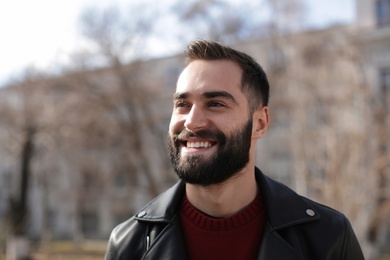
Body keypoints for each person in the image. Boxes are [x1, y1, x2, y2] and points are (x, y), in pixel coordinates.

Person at [105, 39, 364, 260]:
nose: (192, 121)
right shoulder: (128, 244)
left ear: (259, 123)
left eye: (216, 103)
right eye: (182, 104)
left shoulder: (329, 237)